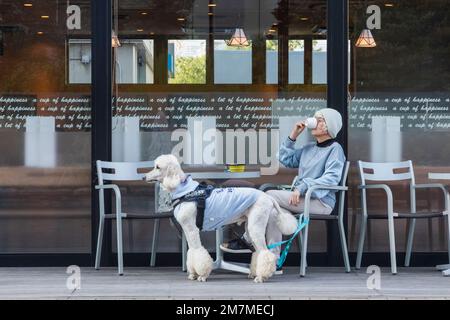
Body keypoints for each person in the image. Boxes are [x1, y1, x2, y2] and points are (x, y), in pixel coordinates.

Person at [220, 108, 346, 273]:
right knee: (273, 212)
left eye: (320, 119)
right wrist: (293, 135)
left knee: (269, 195)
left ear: (329, 126)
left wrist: (301, 188)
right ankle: (273, 262)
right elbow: (284, 158)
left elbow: (331, 178)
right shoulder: (309, 148)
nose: (315, 121)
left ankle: (248, 238)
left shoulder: (335, 149)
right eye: (315, 118)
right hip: (299, 199)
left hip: (319, 201)